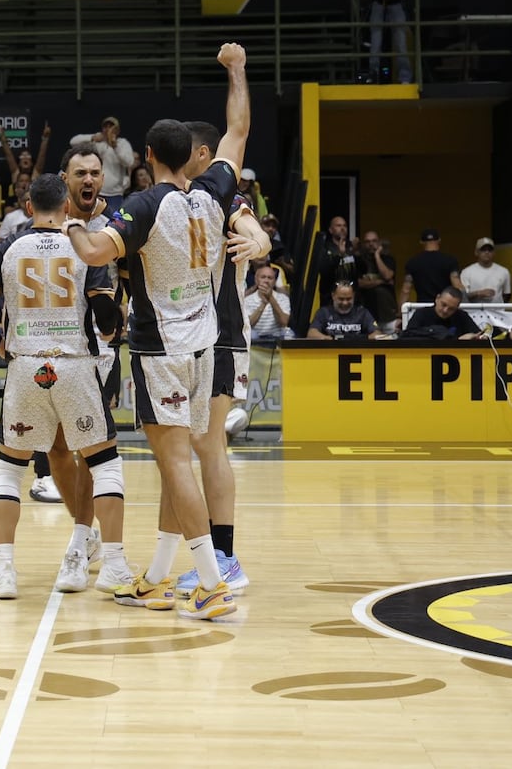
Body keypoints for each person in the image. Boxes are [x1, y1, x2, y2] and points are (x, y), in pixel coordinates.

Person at [64, 43, 251, 622]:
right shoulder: (217, 191)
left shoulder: (143, 205)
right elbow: (238, 128)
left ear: (147, 156)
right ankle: (159, 575)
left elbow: (95, 248)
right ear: (191, 157)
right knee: (181, 461)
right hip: (203, 345)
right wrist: (237, 72)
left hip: (160, 349)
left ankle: (213, 582)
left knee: (173, 463)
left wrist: (73, 220)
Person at [0, 174, 122, 600]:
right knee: (102, 460)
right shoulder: (86, 246)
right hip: (74, 365)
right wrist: (111, 330)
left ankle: (4, 572)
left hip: (25, 367)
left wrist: (0, 342)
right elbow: (106, 313)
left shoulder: (7, 247)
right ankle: (96, 555)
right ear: (68, 208)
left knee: (10, 469)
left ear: (28, 205)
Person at [172, 120, 270, 599]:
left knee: (207, 446)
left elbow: (253, 229)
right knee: (186, 447)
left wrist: (259, 243)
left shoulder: (224, 198)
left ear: (205, 155)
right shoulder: (176, 202)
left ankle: (225, 559)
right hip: (187, 337)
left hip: (221, 335)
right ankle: (199, 557)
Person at [69, 116, 136, 214]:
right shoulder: (97, 142)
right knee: (94, 221)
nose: (108, 129)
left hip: (115, 194)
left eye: (111, 126)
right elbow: (73, 142)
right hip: (97, 192)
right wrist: (92, 138)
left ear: (117, 130)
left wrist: (115, 146)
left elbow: (129, 162)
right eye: (106, 126)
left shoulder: (122, 143)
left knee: (115, 223)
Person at [399, 228, 463, 310]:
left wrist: (401, 314)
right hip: (444, 308)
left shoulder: (412, 263)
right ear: (439, 240)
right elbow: (457, 286)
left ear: (421, 242)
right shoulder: (450, 261)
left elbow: (405, 290)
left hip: (422, 308)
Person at [308, 281, 383, 340]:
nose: (345, 303)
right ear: (333, 296)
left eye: (348, 299)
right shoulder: (323, 312)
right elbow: (312, 333)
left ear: (353, 295)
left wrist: (359, 339)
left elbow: (378, 334)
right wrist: (332, 340)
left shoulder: (363, 313)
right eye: (341, 299)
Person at [402, 286, 484, 340]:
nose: (445, 310)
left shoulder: (461, 316)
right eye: (443, 304)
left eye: (451, 309)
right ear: (437, 298)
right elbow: (407, 335)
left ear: (457, 307)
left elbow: (478, 334)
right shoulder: (422, 313)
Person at [357, 230, 398, 334]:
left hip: (388, 315)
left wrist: (377, 256)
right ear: (363, 244)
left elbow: (387, 275)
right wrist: (381, 282)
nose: (371, 244)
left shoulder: (388, 259)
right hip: (367, 315)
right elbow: (360, 283)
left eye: (374, 241)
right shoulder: (359, 261)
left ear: (379, 243)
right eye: (367, 241)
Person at [243, 264, 292, 340]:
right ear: (256, 280)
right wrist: (263, 304)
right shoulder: (247, 300)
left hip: (276, 335)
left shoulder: (283, 298)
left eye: (270, 278)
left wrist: (271, 298)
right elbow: (248, 324)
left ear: (274, 281)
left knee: (289, 334)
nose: (266, 281)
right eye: (263, 277)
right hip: (255, 337)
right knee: (251, 334)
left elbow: (284, 322)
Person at [317, 216, 358, 305]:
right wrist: (339, 255)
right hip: (330, 298)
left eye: (345, 226)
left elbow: (361, 271)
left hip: (352, 297)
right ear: (331, 230)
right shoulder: (324, 248)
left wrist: (356, 253)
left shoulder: (351, 247)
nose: (342, 228)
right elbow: (324, 271)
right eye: (338, 226)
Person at [0, 121, 51, 189]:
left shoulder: (35, 175)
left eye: (28, 156)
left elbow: (42, 155)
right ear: (19, 163)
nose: (25, 158)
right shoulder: (16, 173)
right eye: (22, 156)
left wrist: (45, 139)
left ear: (32, 163)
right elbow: (9, 155)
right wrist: (2, 137)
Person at [460, 237, 511, 304]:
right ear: (476, 252)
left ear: (494, 253)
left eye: (490, 250)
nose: (487, 252)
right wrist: (478, 293)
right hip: (473, 313)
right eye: (483, 250)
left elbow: (507, 294)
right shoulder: (466, 272)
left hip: (497, 313)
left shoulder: (504, 271)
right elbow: (463, 296)